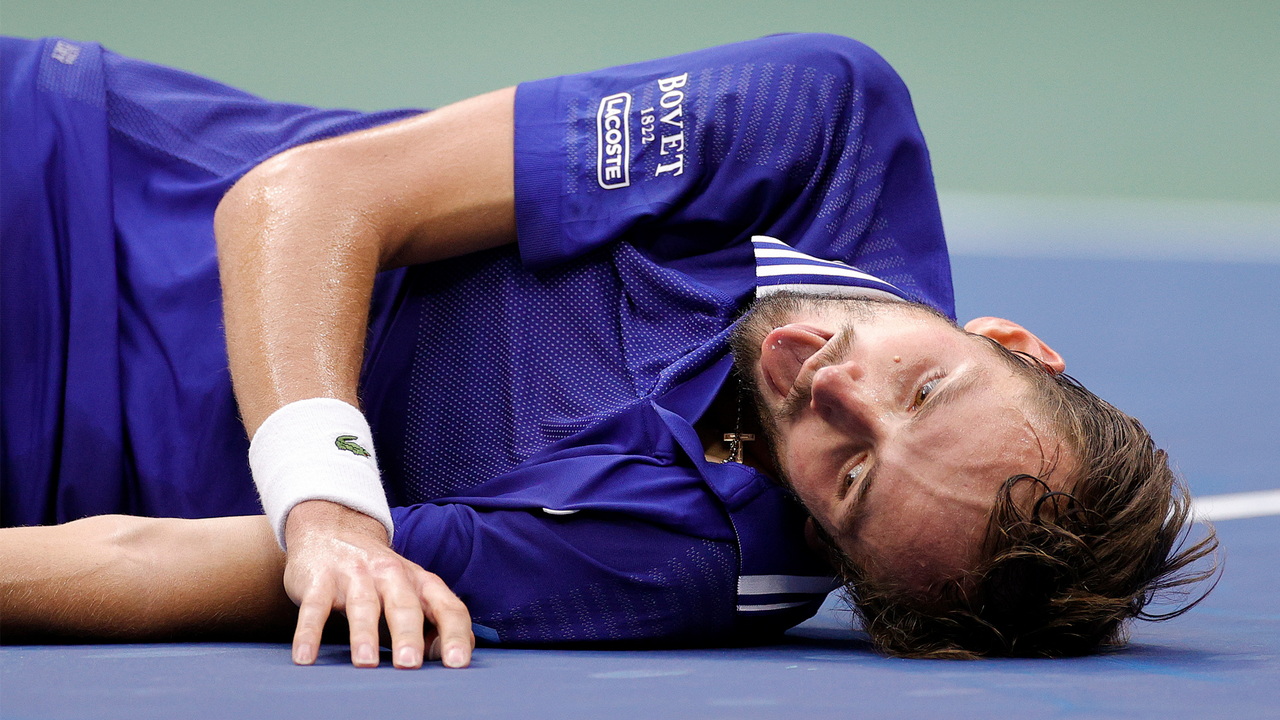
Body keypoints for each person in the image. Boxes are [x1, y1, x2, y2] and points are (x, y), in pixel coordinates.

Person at [0, 33, 1217, 667]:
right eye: (927, 385)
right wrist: (327, 512)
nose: (832, 381)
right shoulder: (823, 129)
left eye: (850, 474)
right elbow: (299, 198)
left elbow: (153, 561)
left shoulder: (669, 557)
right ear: (1013, 343)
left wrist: (331, 541)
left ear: (834, 554)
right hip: (55, 177)